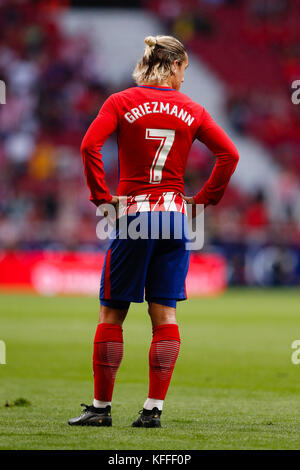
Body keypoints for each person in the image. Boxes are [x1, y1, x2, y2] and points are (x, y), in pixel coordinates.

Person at [68, 35, 239, 428]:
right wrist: (203, 200)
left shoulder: (121, 102)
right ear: (174, 66)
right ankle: (152, 410)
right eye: (185, 69)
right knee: (165, 314)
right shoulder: (192, 109)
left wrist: (101, 197)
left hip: (135, 215)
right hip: (175, 218)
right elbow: (230, 154)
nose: (185, 77)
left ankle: (100, 408)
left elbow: (88, 145)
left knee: (112, 313)